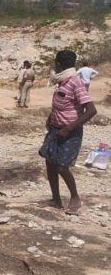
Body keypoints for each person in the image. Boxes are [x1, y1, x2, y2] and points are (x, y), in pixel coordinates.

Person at [40, 50, 97, 215]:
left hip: (69, 132)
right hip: (55, 130)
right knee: (50, 163)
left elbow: (91, 110)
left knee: (61, 167)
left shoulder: (75, 82)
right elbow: (62, 104)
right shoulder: (61, 82)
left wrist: (68, 128)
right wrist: (51, 118)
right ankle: (56, 200)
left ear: (58, 64)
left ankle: (75, 198)